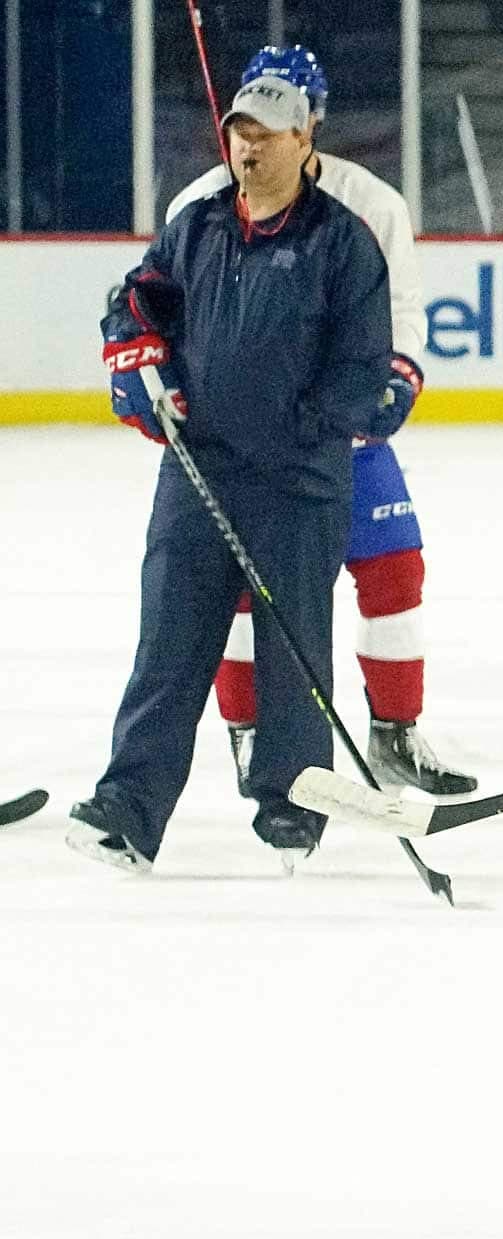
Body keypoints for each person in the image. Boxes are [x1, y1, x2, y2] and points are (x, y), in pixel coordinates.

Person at [69, 72, 390, 873]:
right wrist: (134, 351)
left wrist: (293, 436)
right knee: (170, 641)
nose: (248, 145)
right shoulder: (198, 227)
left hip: (297, 483)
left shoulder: (342, 242)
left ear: (303, 141)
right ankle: (130, 807)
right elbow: (139, 298)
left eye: (267, 132)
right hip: (198, 472)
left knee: (294, 646)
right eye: (239, 130)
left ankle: (293, 802)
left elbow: (361, 372)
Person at [166, 45, 478, 801]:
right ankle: (250, 738)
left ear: (312, 126)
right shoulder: (199, 206)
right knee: (241, 590)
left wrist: (395, 378)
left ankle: (395, 734)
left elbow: (402, 315)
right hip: (238, 442)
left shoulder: (371, 205)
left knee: (395, 570)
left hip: (341, 435)